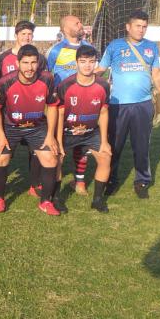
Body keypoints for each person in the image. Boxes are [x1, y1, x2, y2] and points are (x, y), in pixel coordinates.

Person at [96, 10, 160, 199]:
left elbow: (156, 74)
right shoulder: (114, 46)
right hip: (117, 105)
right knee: (115, 145)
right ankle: (111, 180)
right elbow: (102, 69)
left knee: (141, 146)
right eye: (138, 26)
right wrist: (80, 78)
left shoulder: (151, 47)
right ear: (128, 27)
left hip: (143, 105)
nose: (141, 30)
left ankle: (142, 181)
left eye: (144, 26)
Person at [0, 45, 60, 215]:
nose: (30, 68)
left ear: (38, 63)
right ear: (17, 63)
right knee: (0, 158)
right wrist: (0, 136)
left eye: (33, 63)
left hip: (36, 127)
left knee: (51, 158)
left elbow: (52, 107)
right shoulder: (5, 82)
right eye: (25, 63)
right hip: (11, 127)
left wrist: (50, 136)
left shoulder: (47, 79)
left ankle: (45, 201)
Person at [0, 20, 50, 199]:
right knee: (5, 149)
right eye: (23, 34)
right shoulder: (4, 57)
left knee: (34, 150)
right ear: (16, 35)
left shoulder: (39, 59)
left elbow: (42, 85)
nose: (26, 37)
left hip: (33, 111)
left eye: (29, 34)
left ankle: (35, 183)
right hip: (10, 111)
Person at [55, 45, 111, 213]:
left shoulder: (103, 85)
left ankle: (98, 200)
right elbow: (59, 115)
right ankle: (56, 198)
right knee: (56, 159)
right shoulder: (66, 85)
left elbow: (103, 112)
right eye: (83, 61)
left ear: (96, 63)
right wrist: (58, 141)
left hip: (91, 133)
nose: (87, 65)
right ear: (76, 62)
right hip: (67, 132)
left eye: (92, 61)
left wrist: (105, 141)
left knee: (105, 156)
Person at [47, 15, 91, 196]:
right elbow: (47, 76)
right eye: (77, 23)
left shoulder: (89, 48)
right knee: (58, 143)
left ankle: (79, 182)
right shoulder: (56, 50)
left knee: (83, 142)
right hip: (61, 106)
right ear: (65, 28)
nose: (80, 25)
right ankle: (55, 179)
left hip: (85, 105)